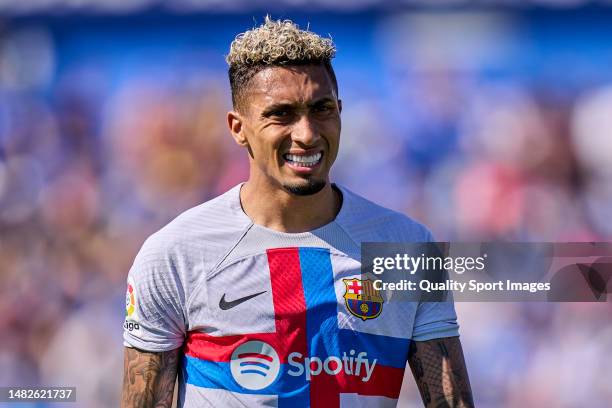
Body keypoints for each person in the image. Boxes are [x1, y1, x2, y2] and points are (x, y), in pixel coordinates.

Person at [121, 17, 474, 408]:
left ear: (340, 111)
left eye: (321, 109)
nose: (306, 133)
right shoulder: (176, 254)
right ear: (238, 128)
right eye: (281, 114)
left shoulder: (407, 247)